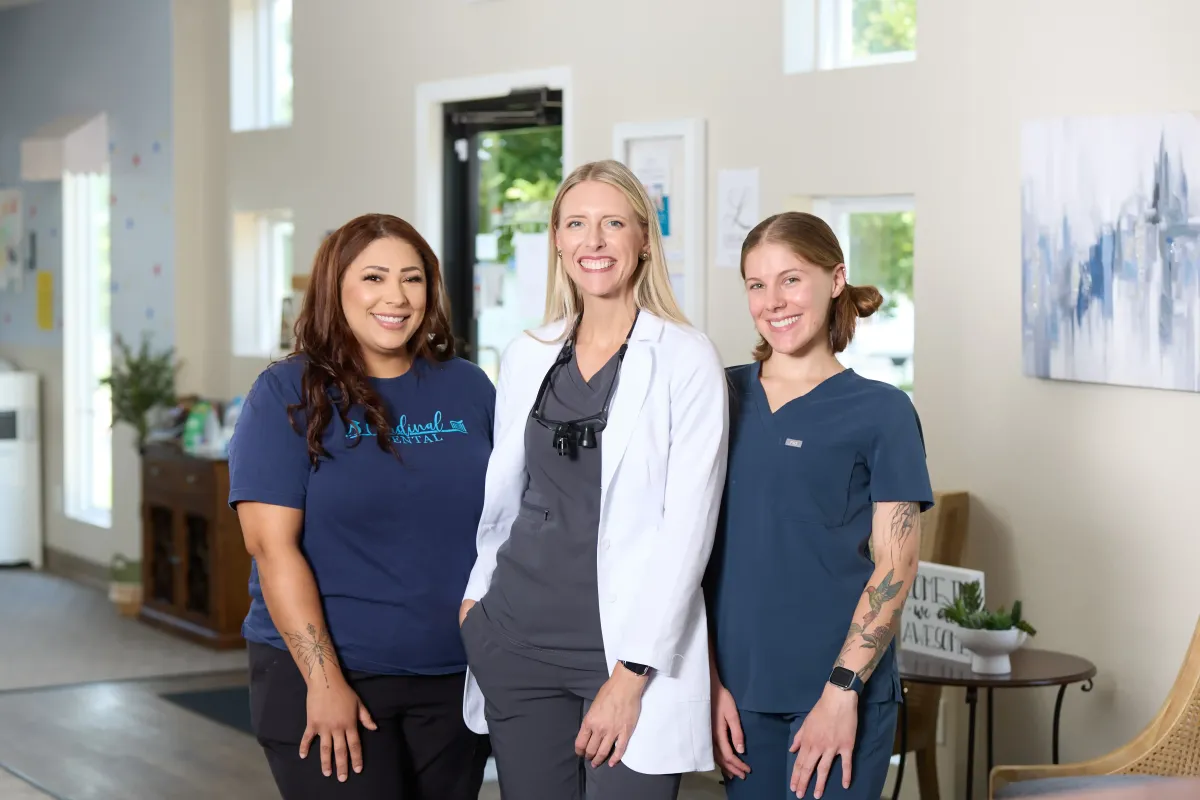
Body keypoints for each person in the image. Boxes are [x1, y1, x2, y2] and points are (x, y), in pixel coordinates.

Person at [456, 159, 729, 799]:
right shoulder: (527, 353)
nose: (593, 241)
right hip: (516, 640)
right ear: (556, 238)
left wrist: (631, 676)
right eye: (576, 223)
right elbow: (508, 498)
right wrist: (477, 609)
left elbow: (689, 530)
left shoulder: (686, 359)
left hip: (626, 652)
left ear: (642, 239)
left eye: (612, 224)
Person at [227, 213, 494, 799]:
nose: (395, 297)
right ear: (336, 289)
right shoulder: (286, 394)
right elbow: (271, 550)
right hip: (327, 677)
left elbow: (505, 527)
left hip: (454, 677)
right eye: (373, 277)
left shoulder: (469, 388)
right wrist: (323, 681)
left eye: (413, 278)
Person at [706, 211, 934, 799]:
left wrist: (841, 693)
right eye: (756, 284)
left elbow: (895, 566)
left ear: (835, 280)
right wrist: (706, 680)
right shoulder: (717, 395)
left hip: (839, 695)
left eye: (791, 279)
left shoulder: (882, 412)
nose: (772, 301)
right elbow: (689, 551)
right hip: (737, 694)